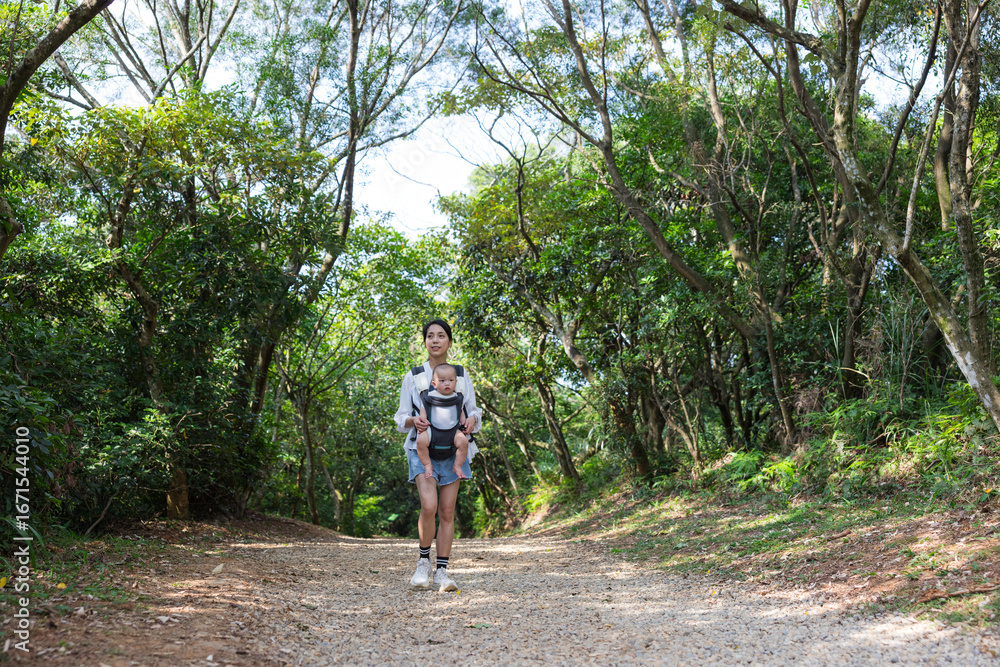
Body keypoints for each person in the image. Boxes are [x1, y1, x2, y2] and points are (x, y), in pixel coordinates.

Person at [394, 319, 480, 593]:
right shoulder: (414, 376)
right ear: (425, 341)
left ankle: (442, 571)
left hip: (454, 450)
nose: (435, 340)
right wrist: (413, 421)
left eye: (441, 335)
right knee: (429, 505)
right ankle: (423, 563)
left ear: (449, 341)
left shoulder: (461, 374)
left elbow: (473, 410)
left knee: (446, 510)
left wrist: (472, 421)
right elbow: (400, 417)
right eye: (430, 335)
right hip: (421, 449)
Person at [414, 363, 470, 481]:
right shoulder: (430, 396)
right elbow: (424, 409)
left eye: (450, 380)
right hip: (432, 430)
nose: (447, 383)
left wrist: (464, 422)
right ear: (434, 384)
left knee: (464, 442)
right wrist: (423, 420)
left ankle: (457, 465)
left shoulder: (458, 397)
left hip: (453, 431)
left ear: (456, 383)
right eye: (442, 380)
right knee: (420, 442)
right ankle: (427, 465)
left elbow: (460, 411)